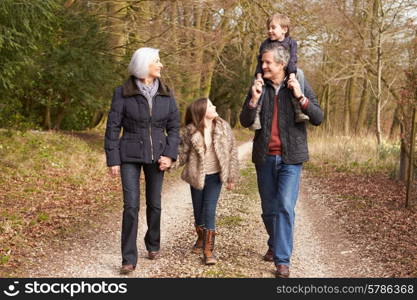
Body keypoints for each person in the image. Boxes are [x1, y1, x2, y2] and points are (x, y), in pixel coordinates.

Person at [240, 44, 323, 278]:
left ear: (281, 64)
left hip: (291, 158)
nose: (262, 66)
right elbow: (245, 121)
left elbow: (318, 117)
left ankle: (282, 261)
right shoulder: (258, 87)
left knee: (285, 206)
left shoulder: (298, 84)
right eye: (262, 62)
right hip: (264, 157)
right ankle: (275, 242)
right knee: (269, 210)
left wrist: (300, 96)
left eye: (267, 62)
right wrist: (253, 100)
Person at [104, 47, 180, 275]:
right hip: (129, 155)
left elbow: (174, 128)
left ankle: (153, 243)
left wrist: (169, 154)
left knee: (154, 204)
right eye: (157, 61)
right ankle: (128, 258)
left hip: (158, 155)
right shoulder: (122, 92)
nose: (161, 65)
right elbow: (113, 127)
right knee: (131, 206)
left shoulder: (167, 93)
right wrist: (112, 159)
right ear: (144, 65)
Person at [175, 98, 239, 265]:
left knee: (209, 209)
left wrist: (231, 177)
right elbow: (182, 154)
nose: (215, 106)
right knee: (198, 212)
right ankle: (201, 238)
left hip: (215, 176)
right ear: (202, 111)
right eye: (211, 105)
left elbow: (232, 152)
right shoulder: (190, 131)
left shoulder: (223, 127)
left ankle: (208, 250)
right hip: (197, 176)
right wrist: (169, 162)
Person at [251, 13, 308, 130]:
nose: (269, 31)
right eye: (268, 28)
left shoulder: (291, 43)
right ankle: (256, 113)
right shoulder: (265, 44)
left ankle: (298, 108)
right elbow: (260, 62)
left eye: (273, 27)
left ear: (284, 29)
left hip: (287, 73)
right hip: (268, 74)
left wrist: (292, 75)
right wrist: (259, 76)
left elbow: (292, 59)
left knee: (300, 73)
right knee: (259, 85)